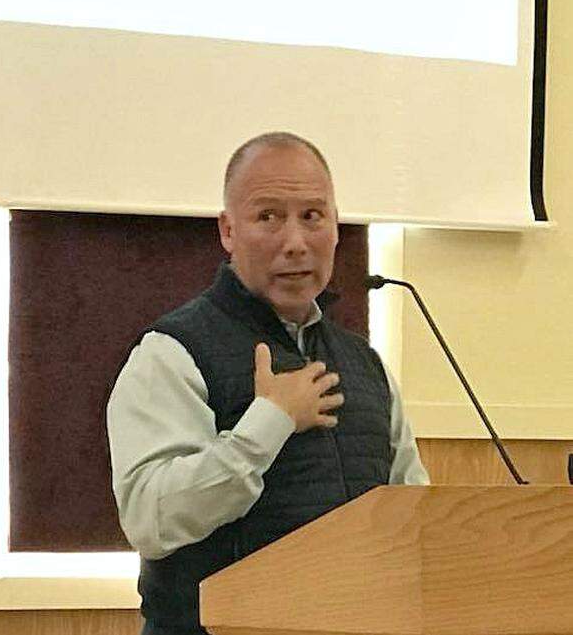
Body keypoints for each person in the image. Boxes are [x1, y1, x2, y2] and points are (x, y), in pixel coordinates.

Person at [106, 132, 429, 635]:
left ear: (337, 228)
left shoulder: (365, 365)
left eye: (312, 216)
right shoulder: (172, 353)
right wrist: (269, 424)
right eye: (268, 217)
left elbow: (413, 513)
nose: (295, 241)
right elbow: (151, 518)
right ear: (228, 231)